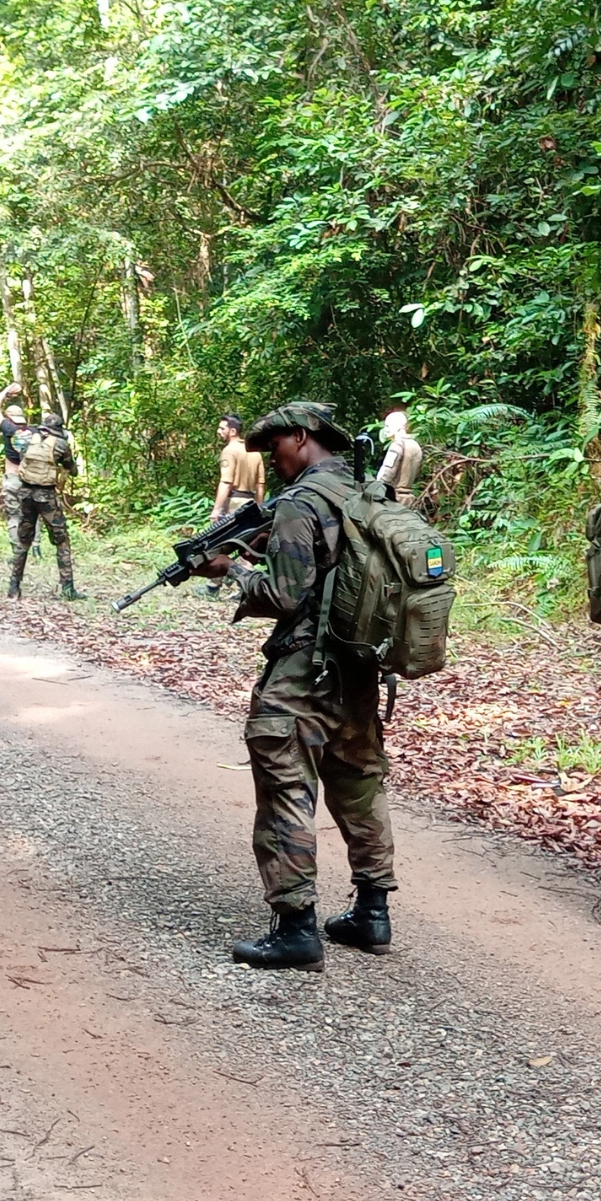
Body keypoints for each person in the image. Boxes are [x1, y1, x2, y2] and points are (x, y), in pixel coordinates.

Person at [191, 403, 396, 970]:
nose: (270, 460)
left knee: (285, 782)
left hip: (305, 668)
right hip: (358, 664)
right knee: (358, 781)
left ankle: (296, 928)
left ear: (302, 438)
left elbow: (283, 595)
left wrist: (229, 569)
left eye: (275, 448)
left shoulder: (301, 503)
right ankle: (372, 914)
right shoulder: (365, 494)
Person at [6, 408, 81, 601]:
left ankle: (14, 588)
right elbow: (71, 469)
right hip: (46, 497)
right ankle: (68, 589)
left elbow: (21, 459)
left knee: (23, 541)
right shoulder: (61, 445)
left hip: (25, 494)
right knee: (61, 540)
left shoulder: (29, 439)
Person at [211, 414, 266, 521]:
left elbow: (226, 482)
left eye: (222, 428)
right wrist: (259, 507)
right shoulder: (254, 452)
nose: (218, 431)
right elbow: (260, 485)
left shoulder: (229, 450)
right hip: (250, 503)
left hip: (233, 504)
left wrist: (216, 509)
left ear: (232, 431)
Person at [376, 408, 424, 506]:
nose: (385, 429)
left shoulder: (397, 445)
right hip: (409, 498)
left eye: (388, 426)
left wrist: (376, 488)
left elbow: (388, 472)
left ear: (399, 427)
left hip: (393, 497)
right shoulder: (415, 445)